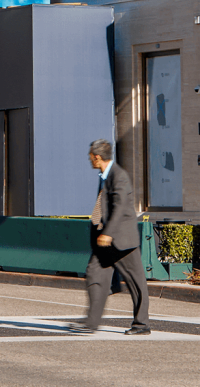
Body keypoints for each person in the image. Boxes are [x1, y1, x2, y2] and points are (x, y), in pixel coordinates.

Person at [70, 139, 150, 335]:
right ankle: (91, 323)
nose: (89, 159)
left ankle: (142, 325)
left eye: (90, 155)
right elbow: (104, 207)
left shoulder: (118, 176)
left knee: (136, 282)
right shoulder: (104, 176)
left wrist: (107, 232)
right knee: (94, 275)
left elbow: (120, 207)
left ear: (97, 157)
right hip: (105, 243)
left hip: (122, 241)